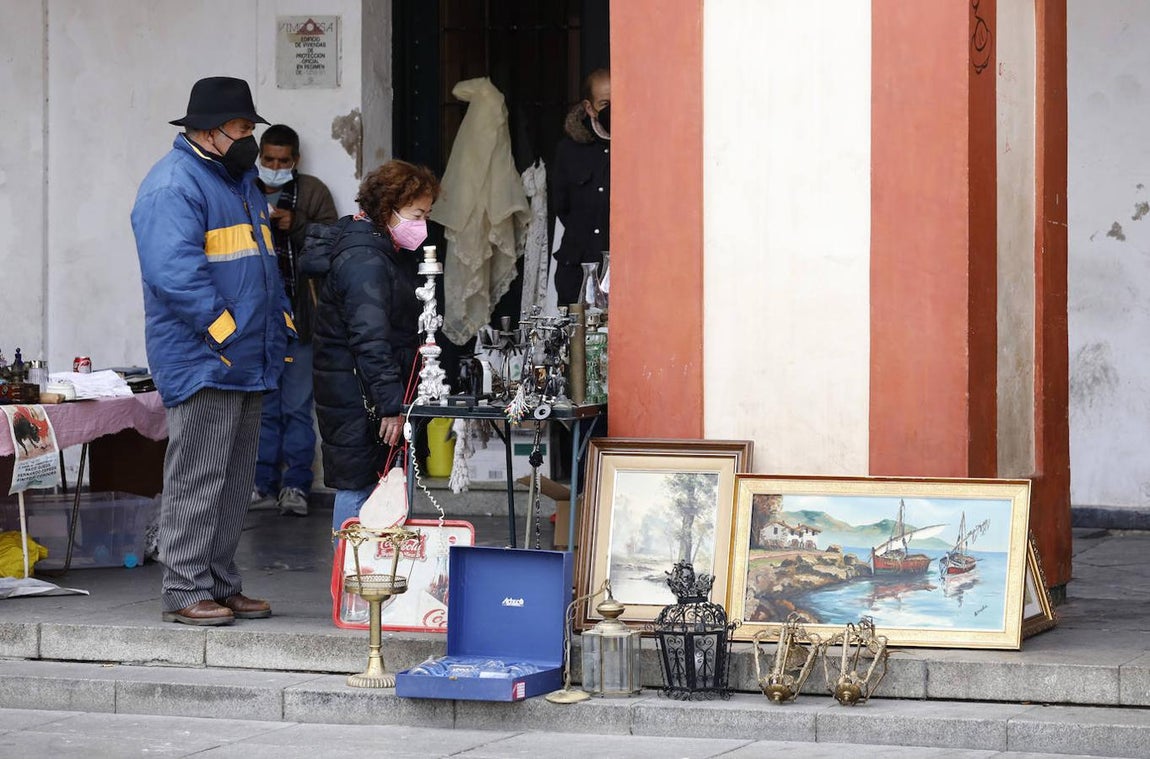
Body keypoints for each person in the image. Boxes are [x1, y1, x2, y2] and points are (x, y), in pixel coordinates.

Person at [131, 76, 294, 626]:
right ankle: (183, 589)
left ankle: (221, 583)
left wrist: (278, 320)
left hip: (246, 356)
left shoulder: (238, 179)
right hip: (207, 357)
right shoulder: (173, 184)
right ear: (207, 130)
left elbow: (260, 263)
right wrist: (225, 330)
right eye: (243, 128)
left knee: (231, 481)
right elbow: (174, 274)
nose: (250, 137)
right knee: (198, 477)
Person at [301, 160, 441, 533]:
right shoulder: (365, 258)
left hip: (362, 389)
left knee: (378, 486)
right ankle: (352, 586)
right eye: (416, 213)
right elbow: (371, 338)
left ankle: (374, 580)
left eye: (426, 214)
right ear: (387, 207)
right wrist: (391, 406)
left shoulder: (380, 249)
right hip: (357, 394)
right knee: (359, 488)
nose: (422, 224)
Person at [251, 124, 338, 517]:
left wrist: (296, 226)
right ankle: (260, 483)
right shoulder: (244, 188)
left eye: (282, 161)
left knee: (297, 408)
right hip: (258, 320)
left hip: (302, 317)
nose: (274, 166)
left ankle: (296, 486)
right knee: (263, 408)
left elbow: (333, 246)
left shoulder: (314, 192)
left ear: (295, 161)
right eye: (268, 159)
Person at [550, 68, 611, 305]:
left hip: (622, 269)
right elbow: (561, 206)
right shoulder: (570, 149)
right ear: (589, 108)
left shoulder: (637, 145)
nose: (612, 110)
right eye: (604, 104)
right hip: (577, 268)